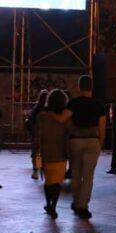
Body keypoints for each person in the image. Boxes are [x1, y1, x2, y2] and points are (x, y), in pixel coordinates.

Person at [60, 75, 106, 217]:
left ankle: (75, 202)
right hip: (92, 141)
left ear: (79, 87)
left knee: (75, 174)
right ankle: (83, 205)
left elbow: (63, 119)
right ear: (91, 87)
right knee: (88, 176)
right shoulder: (99, 105)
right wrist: (100, 143)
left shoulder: (73, 103)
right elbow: (102, 127)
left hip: (75, 141)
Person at [34, 90, 71, 218]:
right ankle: (53, 206)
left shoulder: (42, 116)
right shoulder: (65, 117)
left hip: (46, 153)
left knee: (48, 181)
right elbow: (68, 135)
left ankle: (48, 203)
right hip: (61, 153)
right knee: (57, 182)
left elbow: (37, 136)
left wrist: (37, 154)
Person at [25, 90, 49, 179]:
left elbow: (31, 122)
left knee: (38, 154)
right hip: (48, 135)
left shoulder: (36, 109)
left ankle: (36, 170)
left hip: (37, 135)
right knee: (46, 154)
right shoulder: (50, 110)